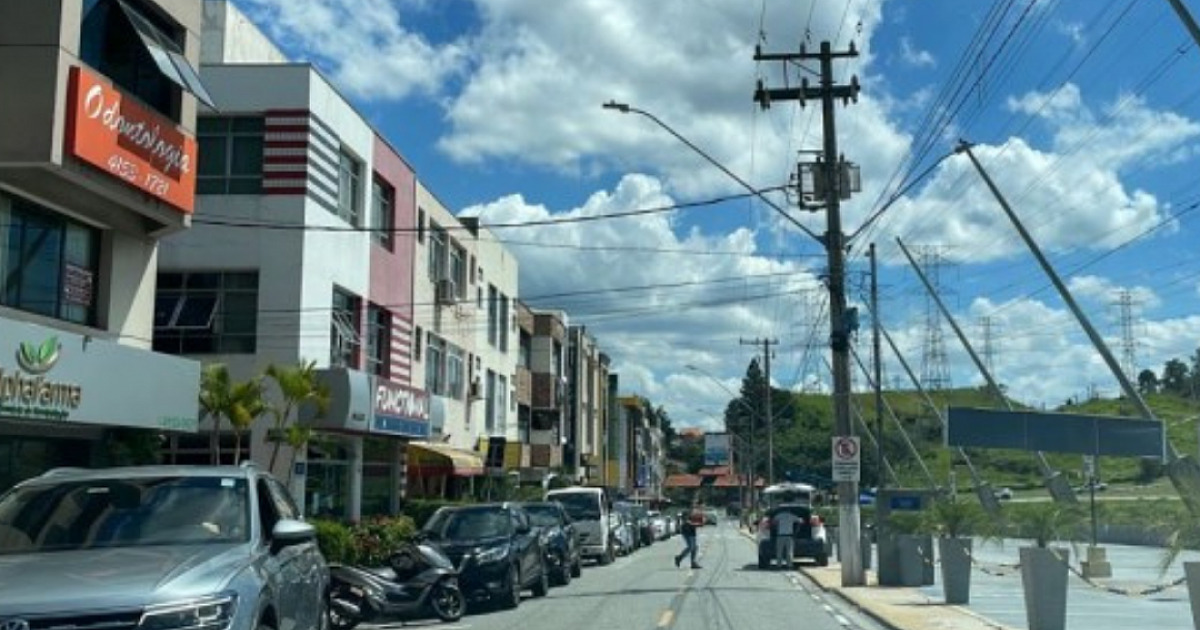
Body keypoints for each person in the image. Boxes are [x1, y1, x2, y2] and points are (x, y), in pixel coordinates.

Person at [674, 504, 704, 569]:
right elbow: (686, 522)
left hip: (692, 531)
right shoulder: (686, 512)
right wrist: (696, 524)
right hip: (686, 531)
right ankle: (679, 558)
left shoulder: (695, 513)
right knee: (691, 547)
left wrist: (700, 523)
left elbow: (699, 522)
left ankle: (692, 563)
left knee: (695, 547)